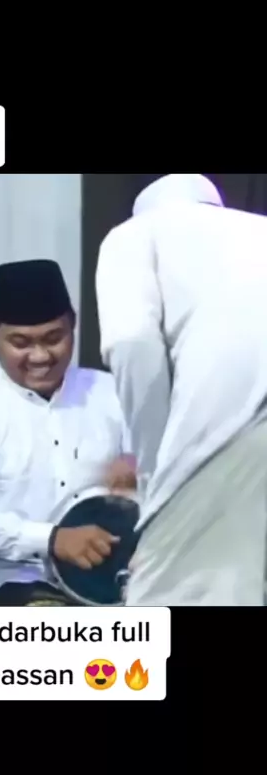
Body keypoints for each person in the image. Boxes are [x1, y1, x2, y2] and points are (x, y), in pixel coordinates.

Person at [0, 258, 135, 606]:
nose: (40, 356)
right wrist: (50, 540)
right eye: (21, 342)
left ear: (74, 324)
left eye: (54, 338)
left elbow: (159, 482)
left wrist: (140, 478)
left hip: (111, 581)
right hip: (3, 582)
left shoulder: (111, 393)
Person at [95, 173, 267, 607]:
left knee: (165, 605)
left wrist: (156, 478)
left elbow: (131, 343)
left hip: (233, 424)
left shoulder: (135, 234)